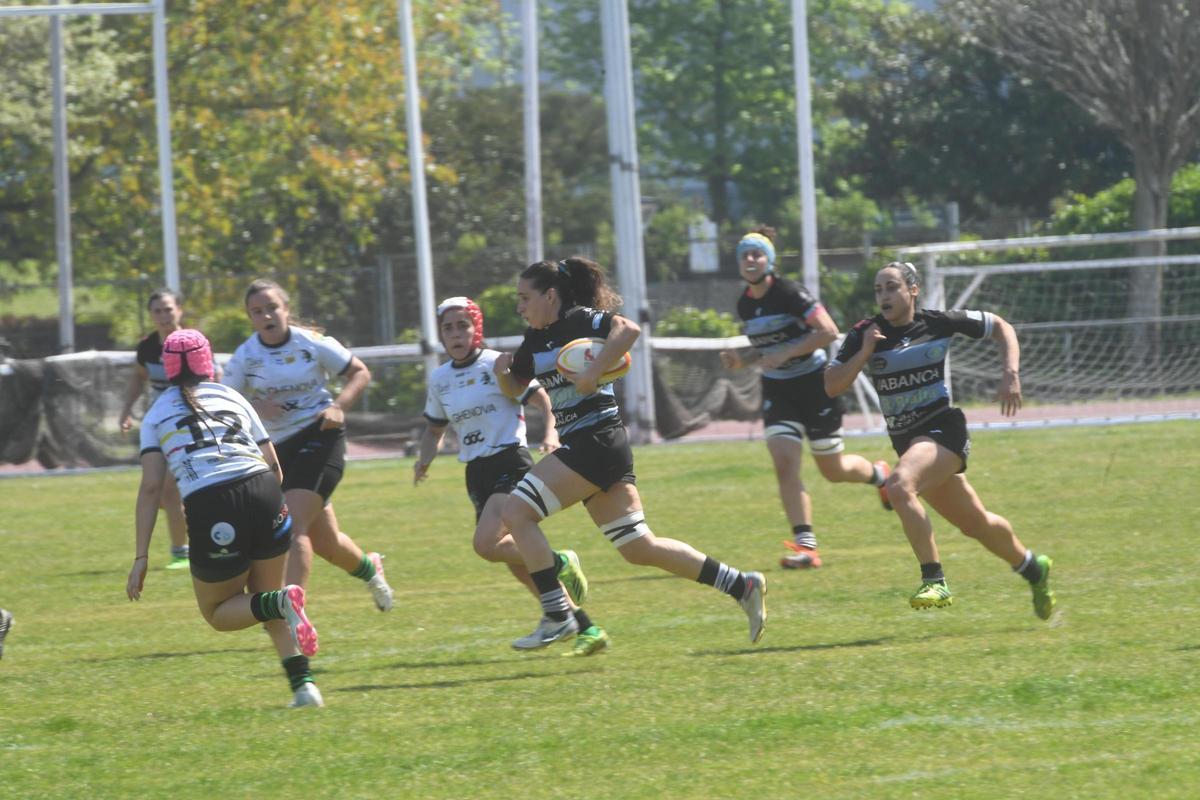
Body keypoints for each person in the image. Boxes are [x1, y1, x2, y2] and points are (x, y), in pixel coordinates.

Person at [496, 257, 767, 647]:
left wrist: (593, 373)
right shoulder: (534, 340)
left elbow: (628, 329)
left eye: (525, 298)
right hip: (591, 447)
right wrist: (503, 374)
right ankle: (741, 584)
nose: (519, 306)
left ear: (550, 296)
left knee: (516, 513)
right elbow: (515, 388)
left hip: (597, 441)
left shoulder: (581, 320)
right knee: (639, 546)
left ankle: (557, 614)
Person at [824, 261, 1056, 619]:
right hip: (911, 444)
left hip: (943, 431)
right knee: (975, 524)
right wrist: (865, 351)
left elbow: (1001, 326)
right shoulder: (865, 333)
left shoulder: (937, 322)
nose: (884, 295)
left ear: (912, 290)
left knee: (898, 485)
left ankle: (934, 579)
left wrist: (1010, 373)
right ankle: (1033, 568)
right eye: (878, 289)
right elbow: (832, 385)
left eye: (892, 287)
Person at [125, 329, 324, 708]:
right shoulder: (231, 396)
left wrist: (141, 557)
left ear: (167, 368)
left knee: (218, 612)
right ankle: (305, 689)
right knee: (266, 599)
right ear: (209, 363)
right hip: (265, 491)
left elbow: (151, 489)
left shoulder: (157, 414)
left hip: (214, 503)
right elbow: (274, 466)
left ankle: (284, 608)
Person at [414, 296, 609, 656]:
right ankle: (584, 626)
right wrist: (423, 461)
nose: (455, 333)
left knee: (486, 545)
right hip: (476, 473)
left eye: (463, 325)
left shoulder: (497, 364)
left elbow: (542, 400)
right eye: (448, 327)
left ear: (477, 329)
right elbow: (434, 429)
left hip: (509, 461)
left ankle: (560, 560)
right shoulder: (440, 379)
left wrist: (550, 433)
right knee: (518, 563)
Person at [719, 227, 891, 570]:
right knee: (784, 463)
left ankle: (880, 475)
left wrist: (786, 353)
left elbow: (828, 331)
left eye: (757, 254)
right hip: (777, 389)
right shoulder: (744, 304)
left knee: (833, 469)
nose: (750, 259)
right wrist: (743, 360)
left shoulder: (790, 293)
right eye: (744, 255)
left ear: (769, 260)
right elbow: (767, 350)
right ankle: (806, 547)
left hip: (815, 385)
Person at [222, 279, 394, 611]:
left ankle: (292, 610)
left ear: (286, 309)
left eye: (272, 307)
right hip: (278, 450)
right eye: (257, 311)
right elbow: (227, 401)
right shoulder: (246, 356)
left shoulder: (311, 343)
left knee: (291, 524)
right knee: (327, 543)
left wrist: (339, 406)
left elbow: (360, 372)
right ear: (250, 318)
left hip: (320, 435)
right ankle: (371, 569)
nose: (266, 316)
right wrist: (256, 407)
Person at [118, 288, 191, 570]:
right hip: (159, 425)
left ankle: (181, 553)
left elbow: (212, 379)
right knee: (160, 492)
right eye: (157, 311)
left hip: (188, 425)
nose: (163, 315)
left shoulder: (191, 343)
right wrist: (126, 410)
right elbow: (138, 378)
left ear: (179, 310)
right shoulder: (147, 348)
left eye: (168, 309)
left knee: (169, 491)